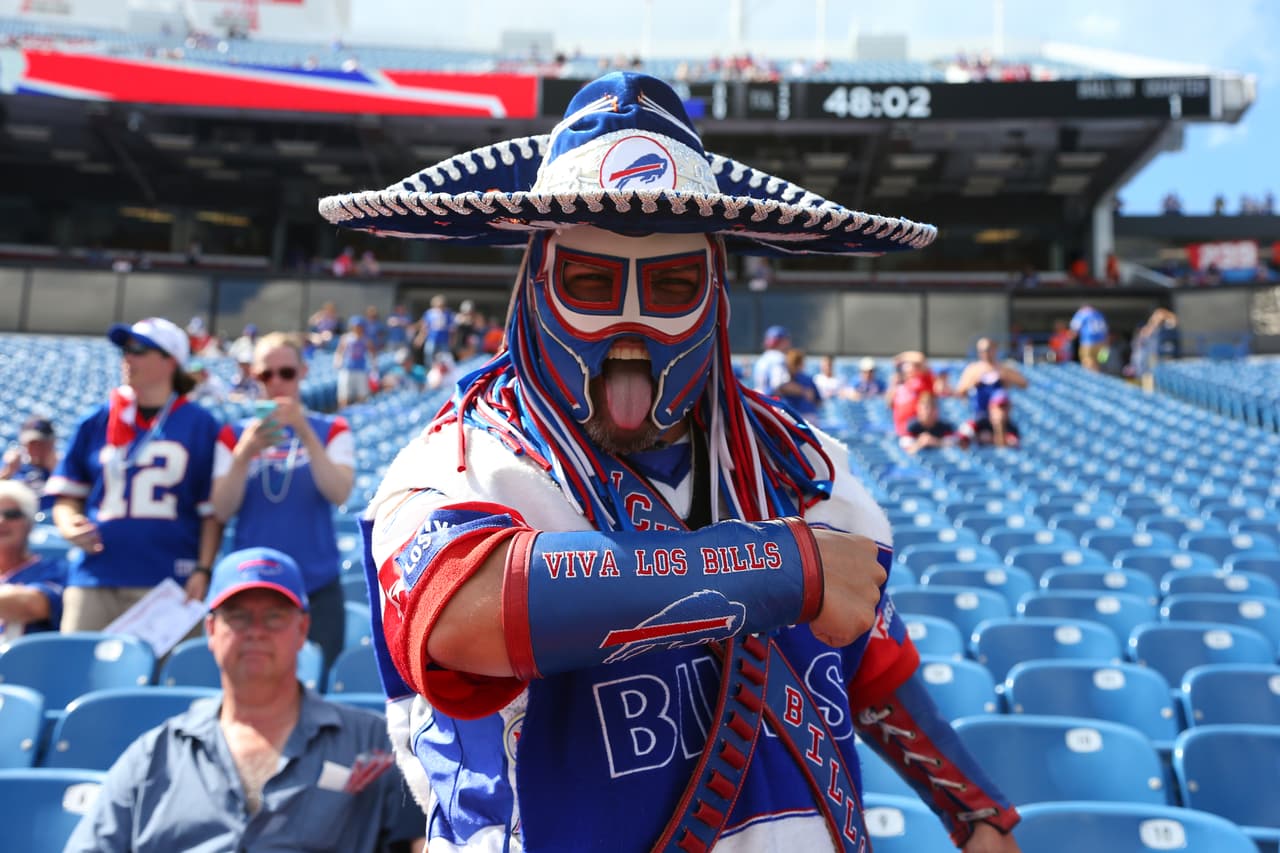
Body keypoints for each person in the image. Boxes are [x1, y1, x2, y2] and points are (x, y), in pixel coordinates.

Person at [318, 71, 1020, 852]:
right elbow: (463, 616)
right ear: (536, 284)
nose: (631, 322)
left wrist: (973, 809)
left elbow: (869, 660)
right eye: (590, 281)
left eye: (672, 284)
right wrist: (783, 567)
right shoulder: (463, 460)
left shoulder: (799, 461)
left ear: (716, 290)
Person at [63, 547, 424, 852]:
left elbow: (423, 841)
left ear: (302, 629)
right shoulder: (154, 755)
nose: (256, 632)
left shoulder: (373, 742)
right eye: (238, 617)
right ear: (211, 630)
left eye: (274, 616)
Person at [47, 318, 222, 631]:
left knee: (169, 665)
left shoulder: (200, 424)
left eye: (139, 349)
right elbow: (68, 497)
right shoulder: (96, 420)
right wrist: (68, 524)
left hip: (170, 579)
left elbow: (210, 511)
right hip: (95, 575)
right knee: (80, 661)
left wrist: (203, 569)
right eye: (125, 350)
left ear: (170, 361)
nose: (128, 357)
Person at [211, 333, 355, 666]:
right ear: (253, 376)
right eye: (266, 375)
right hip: (251, 587)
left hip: (315, 585)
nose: (276, 382)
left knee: (318, 681)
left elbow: (339, 492)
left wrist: (304, 431)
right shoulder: (233, 435)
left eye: (286, 373)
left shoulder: (332, 429)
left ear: (303, 372)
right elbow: (221, 508)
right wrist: (244, 453)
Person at [0, 481, 65, 640]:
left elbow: (33, 606)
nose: (1, 521)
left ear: (29, 523)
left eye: (12, 514)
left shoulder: (54, 569)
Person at [953, 337, 1029, 419]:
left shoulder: (1004, 368)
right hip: (979, 414)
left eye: (988, 349)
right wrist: (973, 383)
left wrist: (1006, 378)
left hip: (999, 413)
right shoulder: (973, 369)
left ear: (995, 349)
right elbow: (960, 392)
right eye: (981, 351)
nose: (985, 353)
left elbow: (1024, 384)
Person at [2, 415, 59, 513]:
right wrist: (8, 472)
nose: (36, 448)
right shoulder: (13, 463)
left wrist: (56, 472)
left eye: (42, 443)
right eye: (32, 443)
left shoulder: (62, 466)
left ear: (52, 443)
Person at [333, 316, 373, 408]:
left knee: (362, 395)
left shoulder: (366, 340)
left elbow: (372, 354)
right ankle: (343, 412)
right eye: (356, 326)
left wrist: (373, 367)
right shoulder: (346, 338)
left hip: (361, 369)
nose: (357, 328)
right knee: (344, 395)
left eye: (359, 326)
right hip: (347, 369)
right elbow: (339, 352)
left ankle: (359, 413)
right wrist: (337, 361)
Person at [775, 348, 821, 416]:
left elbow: (817, 400)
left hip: (799, 415)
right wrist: (803, 391)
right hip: (792, 414)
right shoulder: (784, 378)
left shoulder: (807, 379)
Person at [752, 324, 792, 394]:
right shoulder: (778, 357)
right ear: (781, 342)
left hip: (758, 396)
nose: (788, 343)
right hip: (770, 398)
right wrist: (802, 391)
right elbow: (778, 385)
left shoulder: (763, 358)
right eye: (786, 340)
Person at [1069, 303, 1109, 371]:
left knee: (1087, 361)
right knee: (1101, 362)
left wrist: (1070, 338)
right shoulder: (1099, 314)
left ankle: (1092, 375)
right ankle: (1098, 374)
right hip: (1102, 343)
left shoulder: (1082, 313)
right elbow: (1105, 330)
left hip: (1088, 342)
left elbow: (1075, 328)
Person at [416, 295, 453, 367]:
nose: (440, 307)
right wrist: (420, 338)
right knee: (429, 356)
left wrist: (451, 340)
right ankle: (430, 370)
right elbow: (425, 327)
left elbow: (452, 329)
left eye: (442, 305)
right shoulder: (429, 313)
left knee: (445, 358)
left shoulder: (448, 313)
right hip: (431, 339)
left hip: (444, 341)